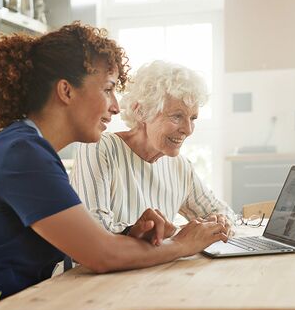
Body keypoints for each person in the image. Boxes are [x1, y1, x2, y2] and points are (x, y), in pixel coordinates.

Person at [0, 23, 227, 310]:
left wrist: (130, 235)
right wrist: (183, 244)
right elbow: (102, 255)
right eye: (109, 89)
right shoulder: (22, 154)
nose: (115, 107)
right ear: (66, 91)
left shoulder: (32, 150)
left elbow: (90, 244)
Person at [71, 60, 236, 240]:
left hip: (159, 267)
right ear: (141, 111)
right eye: (177, 116)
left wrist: (221, 221)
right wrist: (172, 236)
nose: (188, 130)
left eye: (193, 118)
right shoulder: (99, 147)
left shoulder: (179, 166)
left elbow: (222, 211)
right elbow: (96, 233)